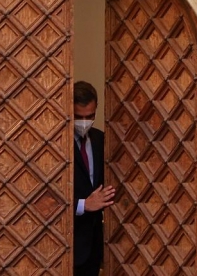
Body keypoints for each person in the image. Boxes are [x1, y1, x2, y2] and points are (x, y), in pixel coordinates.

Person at [73, 81, 115, 276]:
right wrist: (82, 205)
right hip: (65, 244)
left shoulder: (100, 139)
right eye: (78, 117)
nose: (84, 122)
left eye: (89, 116)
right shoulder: (55, 144)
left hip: (94, 245)